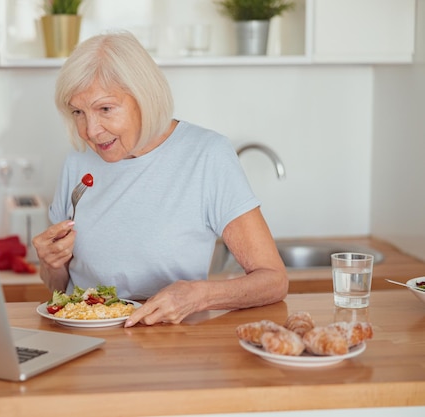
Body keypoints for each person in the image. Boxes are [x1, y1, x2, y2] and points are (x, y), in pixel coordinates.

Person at [32, 31, 288, 327]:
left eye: (105, 109)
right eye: (78, 112)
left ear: (144, 97)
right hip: (86, 345)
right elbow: (58, 287)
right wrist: (51, 263)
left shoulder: (206, 155)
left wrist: (199, 296)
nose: (90, 130)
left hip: (170, 345)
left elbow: (273, 280)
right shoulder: (77, 160)